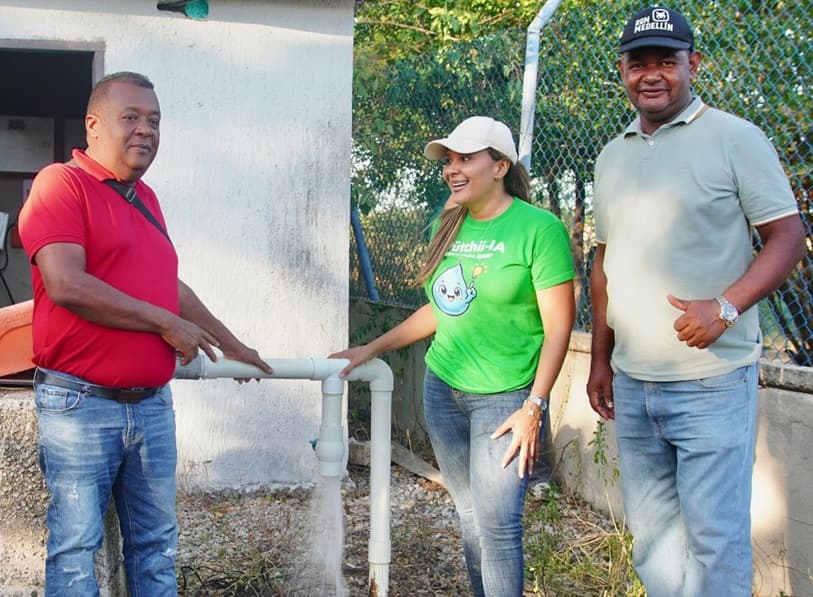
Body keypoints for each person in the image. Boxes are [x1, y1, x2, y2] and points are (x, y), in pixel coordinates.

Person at [18, 71, 272, 596]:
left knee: (157, 546)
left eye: (154, 120)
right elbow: (66, 283)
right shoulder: (60, 185)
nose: (146, 130)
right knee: (75, 550)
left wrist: (229, 342)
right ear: (93, 125)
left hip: (152, 405)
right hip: (80, 404)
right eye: (130, 117)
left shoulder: (145, 198)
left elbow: (167, 286)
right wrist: (165, 324)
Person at [586, 7, 806, 596]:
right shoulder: (612, 156)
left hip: (711, 382)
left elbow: (788, 237)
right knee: (654, 544)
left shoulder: (735, 138)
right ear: (622, 72)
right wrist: (600, 359)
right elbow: (605, 261)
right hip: (633, 383)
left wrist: (726, 307)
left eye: (666, 61)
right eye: (639, 63)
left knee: (713, 544)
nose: (651, 75)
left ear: (694, 65)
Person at [331, 116, 575, 596]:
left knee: (499, 527)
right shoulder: (450, 224)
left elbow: (559, 328)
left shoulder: (538, 229)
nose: (451, 169)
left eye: (466, 158)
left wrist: (535, 407)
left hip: (505, 399)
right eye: (448, 160)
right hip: (442, 388)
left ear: (500, 165)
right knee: (467, 513)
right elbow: (442, 308)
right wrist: (372, 347)